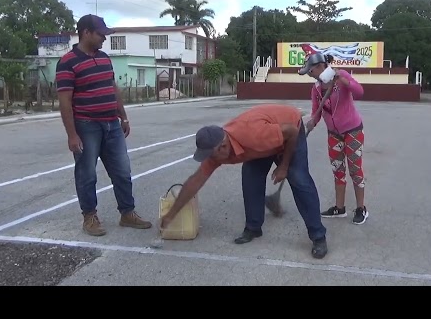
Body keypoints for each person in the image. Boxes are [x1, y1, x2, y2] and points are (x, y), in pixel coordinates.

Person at [158, 103, 329, 259]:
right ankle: (253, 228)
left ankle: (318, 236)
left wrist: (284, 166)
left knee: (299, 179)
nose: (210, 160)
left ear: (223, 146)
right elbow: (195, 181)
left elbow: (291, 132)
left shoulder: (252, 134)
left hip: (289, 129)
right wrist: (170, 215)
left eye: (211, 155)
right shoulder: (217, 152)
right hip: (263, 143)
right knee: (251, 179)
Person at [55, 14, 152, 236]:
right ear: (86, 32)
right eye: (101, 34)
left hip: (112, 124)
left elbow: (113, 88)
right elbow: (65, 101)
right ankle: (90, 217)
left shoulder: (105, 58)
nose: (104, 39)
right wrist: (72, 135)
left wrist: (123, 116)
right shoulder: (68, 62)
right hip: (86, 126)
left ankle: (127, 213)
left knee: (123, 171)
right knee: (87, 173)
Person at [298, 52, 369, 225]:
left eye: (311, 70)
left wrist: (342, 80)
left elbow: (359, 92)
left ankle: (361, 209)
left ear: (321, 67)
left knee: (355, 170)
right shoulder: (316, 88)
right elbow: (317, 110)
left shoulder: (341, 75)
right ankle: (340, 208)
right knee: (338, 170)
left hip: (352, 131)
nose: (309, 74)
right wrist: (312, 121)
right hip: (333, 134)